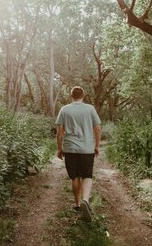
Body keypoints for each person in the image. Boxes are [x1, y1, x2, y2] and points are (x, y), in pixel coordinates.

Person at [56, 86, 102, 222]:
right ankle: (86, 201)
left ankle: (77, 204)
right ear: (83, 95)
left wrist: (59, 148)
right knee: (87, 175)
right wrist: (97, 146)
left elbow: (59, 131)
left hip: (70, 149)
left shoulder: (64, 109)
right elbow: (98, 128)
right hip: (87, 148)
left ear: (71, 95)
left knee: (75, 176)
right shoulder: (90, 109)